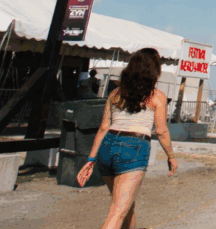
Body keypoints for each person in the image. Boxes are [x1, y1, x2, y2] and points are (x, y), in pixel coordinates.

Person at [76, 48, 177, 229]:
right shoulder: (157, 96)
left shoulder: (115, 94)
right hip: (133, 148)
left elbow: (103, 128)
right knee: (117, 211)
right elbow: (161, 131)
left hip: (107, 148)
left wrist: (91, 159)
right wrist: (171, 156)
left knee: (125, 206)